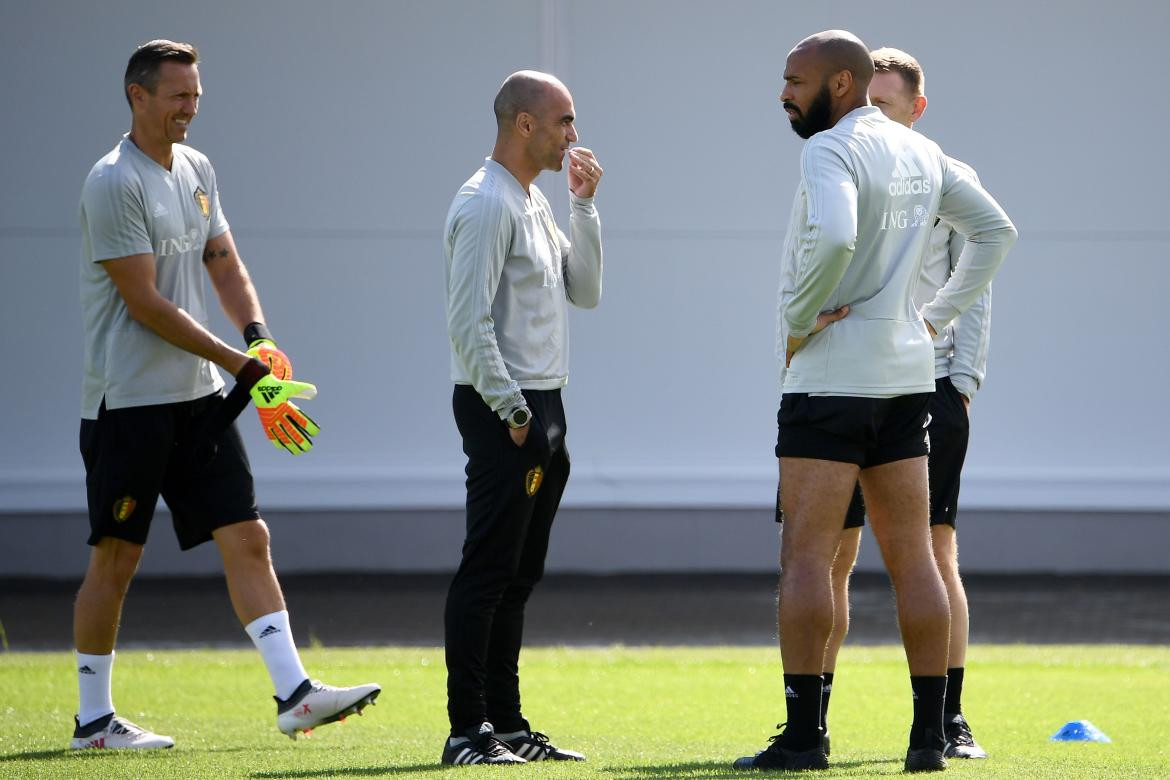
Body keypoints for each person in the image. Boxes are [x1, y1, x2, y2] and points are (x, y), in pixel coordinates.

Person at [73, 39, 379, 750]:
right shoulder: (112, 181)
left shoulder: (199, 169)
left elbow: (224, 260)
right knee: (116, 558)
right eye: (178, 96)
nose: (190, 110)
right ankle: (93, 722)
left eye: (196, 98)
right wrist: (240, 366)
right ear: (137, 96)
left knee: (248, 535)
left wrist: (257, 334)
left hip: (198, 397)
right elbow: (146, 304)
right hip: (127, 404)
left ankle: (295, 693)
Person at [733, 30, 1015, 773]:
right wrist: (933, 320)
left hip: (830, 381)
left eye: (795, 79)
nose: (784, 92)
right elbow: (996, 230)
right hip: (904, 382)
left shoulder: (828, 149)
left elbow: (831, 234)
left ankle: (805, 739)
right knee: (916, 559)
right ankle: (929, 739)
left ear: (839, 84)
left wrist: (798, 318)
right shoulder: (924, 152)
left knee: (808, 557)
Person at [814, 47, 991, 762]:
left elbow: (981, 271)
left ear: (917, 109)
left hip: (927, 387)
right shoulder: (842, 166)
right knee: (829, 555)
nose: (872, 115)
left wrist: (961, 380)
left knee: (933, 554)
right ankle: (807, 723)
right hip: (842, 385)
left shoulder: (948, 177)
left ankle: (948, 721)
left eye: (885, 104)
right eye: (866, 103)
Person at [439, 70, 602, 767]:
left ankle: (505, 724)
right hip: (503, 404)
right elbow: (467, 320)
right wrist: (509, 411)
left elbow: (585, 292)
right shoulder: (484, 203)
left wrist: (584, 207)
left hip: (546, 401)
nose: (575, 135)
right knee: (487, 568)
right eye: (564, 120)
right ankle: (465, 730)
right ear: (524, 124)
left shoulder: (533, 202)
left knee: (519, 572)